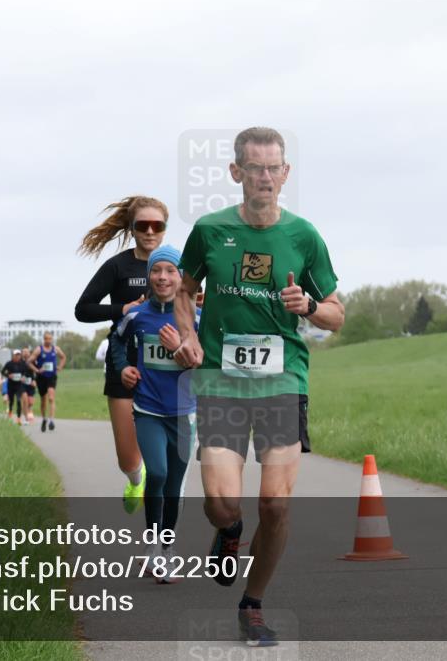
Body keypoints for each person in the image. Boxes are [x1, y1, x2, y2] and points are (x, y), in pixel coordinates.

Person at [172, 127, 345, 646]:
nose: (265, 177)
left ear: (285, 174)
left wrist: (310, 307)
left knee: (275, 503)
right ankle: (228, 532)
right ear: (236, 173)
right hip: (222, 383)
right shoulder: (209, 230)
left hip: (282, 381)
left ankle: (252, 604)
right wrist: (187, 334)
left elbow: (337, 315)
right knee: (222, 502)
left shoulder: (304, 237)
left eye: (274, 168)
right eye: (255, 168)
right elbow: (185, 288)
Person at [75, 195, 168, 513]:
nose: (151, 231)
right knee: (128, 458)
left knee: (166, 462)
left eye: (158, 225)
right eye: (144, 225)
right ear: (132, 228)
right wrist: (122, 308)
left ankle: (162, 523)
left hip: (164, 368)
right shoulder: (118, 266)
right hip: (123, 362)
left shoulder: (174, 265)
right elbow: (83, 309)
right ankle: (134, 478)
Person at [114, 245, 199, 583]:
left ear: (181, 277)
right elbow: (117, 343)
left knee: (175, 486)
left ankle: (166, 549)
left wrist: (181, 347)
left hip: (183, 412)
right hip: (147, 409)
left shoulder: (196, 317)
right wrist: (123, 369)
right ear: (149, 276)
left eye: (170, 271)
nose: (163, 277)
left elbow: (205, 360)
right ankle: (152, 545)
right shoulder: (137, 315)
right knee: (159, 474)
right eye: (156, 270)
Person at [34, 331, 67, 432]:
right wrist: (37, 370)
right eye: (46, 339)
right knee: (43, 400)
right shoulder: (39, 349)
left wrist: (60, 367)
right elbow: (29, 361)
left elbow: (63, 357)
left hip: (52, 376)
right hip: (41, 378)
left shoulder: (55, 349)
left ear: (52, 339)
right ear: (44, 339)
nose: (48, 341)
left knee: (51, 398)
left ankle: (51, 420)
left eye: (50, 339)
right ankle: (44, 419)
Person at [1, 349, 29, 425]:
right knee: (11, 401)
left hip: (19, 385)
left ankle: (18, 418)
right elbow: (2, 371)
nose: (17, 356)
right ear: (13, 355)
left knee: (19, 401)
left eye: (19, 355)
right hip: (11, 385)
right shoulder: (9, 363)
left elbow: (26, 372)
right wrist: (8, 375)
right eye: (16, 355)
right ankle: (10, 411)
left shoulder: (22, 364)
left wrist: (23, 376)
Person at [20, 347, 36, 425]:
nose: (26, 353)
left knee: (30, 402)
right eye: (24, 351)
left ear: (30, 353)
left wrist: (35, 380)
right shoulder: (19, 362)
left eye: (27, 351)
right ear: (22, 353)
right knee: (25, 400)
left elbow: (37, 371)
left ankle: (29, 410)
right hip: (22, 384)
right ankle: (26, 418)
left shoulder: (33, 361)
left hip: (31, 384)